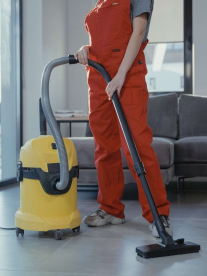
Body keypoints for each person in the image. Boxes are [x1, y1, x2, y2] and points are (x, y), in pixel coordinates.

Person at [74, 0, 173, 238]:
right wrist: (85, 49)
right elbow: (101, 42)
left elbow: (138, 31)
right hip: (98, 78)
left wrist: (120, 76)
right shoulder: (99, 3)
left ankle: (158, 213)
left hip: (127, 76)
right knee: (104, 147)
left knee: (137, 145)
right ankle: (111, 209)